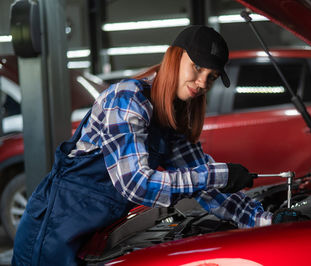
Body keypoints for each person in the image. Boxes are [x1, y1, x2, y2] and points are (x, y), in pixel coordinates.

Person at [12, 25, 272, 266]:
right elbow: (135, 183)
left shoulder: (172, 121)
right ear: (174, 58)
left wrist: (264, 220)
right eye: (196, 67)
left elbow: (206, 186)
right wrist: (221, 174)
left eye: (212, 77)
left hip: (96, 236)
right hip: (52, 232)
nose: (203, 82)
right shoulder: (126, 99)